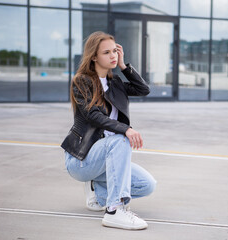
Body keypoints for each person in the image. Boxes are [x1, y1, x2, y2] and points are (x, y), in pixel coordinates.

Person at [61, 31, 156, 230]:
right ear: (94, 56)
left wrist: (123, 66)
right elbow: (92, 115)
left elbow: (143, 89)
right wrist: (126, 129)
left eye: (115, 51)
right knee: (121, 139)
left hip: (105, 159)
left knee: (147, 185)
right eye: (107, 52)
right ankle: (114, 210)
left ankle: (98, 189)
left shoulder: (116, 83)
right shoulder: (82, 81)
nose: (112, 55)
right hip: (82, 159)